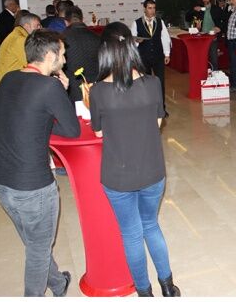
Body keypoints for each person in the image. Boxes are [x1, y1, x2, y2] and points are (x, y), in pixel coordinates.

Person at [89, 22, 180, 297]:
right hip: (152, 171)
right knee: (151, 225)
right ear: (132, 46)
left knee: (131, 234)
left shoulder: (98, 91)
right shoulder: (152, 83)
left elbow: (99, 132)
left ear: (104, 51)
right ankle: (168, 286)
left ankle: (144, 292)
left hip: (118, 176)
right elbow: (157, 123)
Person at [0, 29, 80, 296]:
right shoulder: (50, 86)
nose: (64, 60)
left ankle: (58, 283)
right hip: (33, 187)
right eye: (62, 54)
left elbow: (21, 117)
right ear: (50, 56)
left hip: (1, 182)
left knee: (35, 245)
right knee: (39, 250)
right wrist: (62, 90)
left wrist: (42, 117)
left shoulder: (9, 78)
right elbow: (72, 129)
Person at [130, 0, 171, 115]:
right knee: (145, 83)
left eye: (154, 8)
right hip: (143, 57)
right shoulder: (136, 23)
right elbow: (132, 41)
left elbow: (165, 38)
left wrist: (167, 54)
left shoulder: (160, 22)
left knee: (160, 83)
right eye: (149, 8)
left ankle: (161, 108)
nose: (152, 11)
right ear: (144, 9)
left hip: (158, 57)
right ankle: (147, 108)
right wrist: (137, 41)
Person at [0, 12, 42, 88]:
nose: (40, 28)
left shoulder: (16, 34)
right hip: (6, 85)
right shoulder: (20, 40)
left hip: (5, 81)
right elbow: (32, 64)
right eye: (37, 26)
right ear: (27, 26)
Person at [62, 5, 101, 102]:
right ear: (82, 19)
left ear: (65, 22)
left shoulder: (61, 39)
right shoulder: (97, 37)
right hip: (96, 89)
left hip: (72, 92)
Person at [186, 0, 226, 70]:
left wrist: (219, 28)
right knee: (202, 59)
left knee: (214, 59)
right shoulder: (199, 8)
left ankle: (214, 75)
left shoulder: (215, 9)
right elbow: (187, 18)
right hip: (201, 37)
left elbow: (225, 20)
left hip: (213, 37)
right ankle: (203, 75)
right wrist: (193, 10)